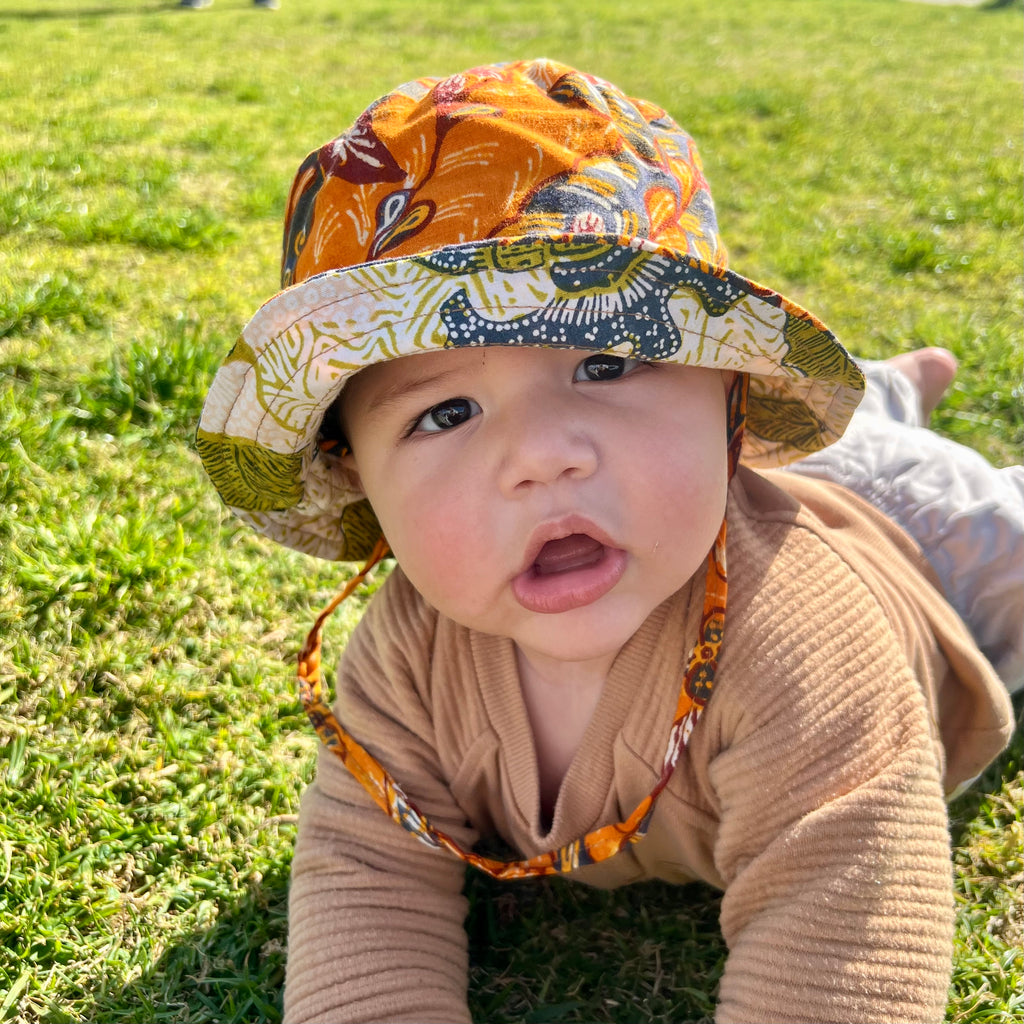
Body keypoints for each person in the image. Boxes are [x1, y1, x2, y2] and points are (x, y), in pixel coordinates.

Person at [196, 59, 1017, 1023]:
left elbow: (841, 941)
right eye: (446, 411)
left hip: (918, 539)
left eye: (606, 361)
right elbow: (366, 874)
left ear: (729, 388)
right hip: (743, 484)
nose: (542, 455)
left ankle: (893, 405)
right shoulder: (406, 660)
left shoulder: (809, 652)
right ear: (356, 479)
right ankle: (890, 388)